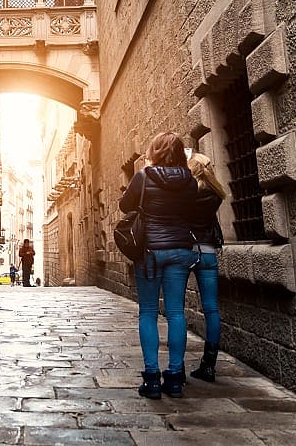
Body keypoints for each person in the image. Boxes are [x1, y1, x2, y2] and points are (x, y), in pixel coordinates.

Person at [119, 132, 210, 400]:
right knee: (176, 313)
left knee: (147, 312)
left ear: (154, 151)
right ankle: (174, 377)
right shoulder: (190, 182)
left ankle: (152, 379)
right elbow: (190, 213)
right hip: (180, 251)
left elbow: (125, 206)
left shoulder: (143, 177)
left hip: (149, 253)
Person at [187, 152, 226, 382]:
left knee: (175, 310)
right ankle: (209, 365)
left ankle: (176, 368)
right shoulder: (215, 195)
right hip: (209, 253)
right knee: (211, 309)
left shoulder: (186, 195)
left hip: (187, 252)